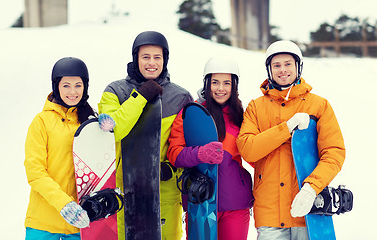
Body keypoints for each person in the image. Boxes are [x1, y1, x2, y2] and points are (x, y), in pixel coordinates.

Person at [236, 40, 346, 240]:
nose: (282, 70)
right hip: (269, 214)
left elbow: (334, 153)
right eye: (276, 65)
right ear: (269, 70)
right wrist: (286, 128)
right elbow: (248, 149)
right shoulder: (256, 107)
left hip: (309, 209)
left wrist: (311, 188)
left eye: (288, 64)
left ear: (298, 66)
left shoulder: (319, 106)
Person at [98, 31, 193, 240]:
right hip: (126, 191)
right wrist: (141, 96)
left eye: (157, 57)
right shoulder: (115, 91)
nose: (151, 63)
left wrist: (177, 172)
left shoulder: (181, 97)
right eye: (145, 57)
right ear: (136, 58)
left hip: (165, 192)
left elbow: (186, 145)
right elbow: (114, 132)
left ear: (165, 60)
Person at [24, 57, 114, 239]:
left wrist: (110, 133)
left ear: (85, 87)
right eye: (66, 85)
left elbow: (106, 167)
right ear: (56, 86)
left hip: (79, 226)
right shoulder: (41, 122)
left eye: (78, 85)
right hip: (43, 225)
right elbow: (35, 172)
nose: (72, 92)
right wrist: (64, 203)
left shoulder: (90, 124)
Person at [167, 56, 254, 240]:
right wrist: (199, 154)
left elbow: (254, 155)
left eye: (226, 83)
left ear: (234, 85)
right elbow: (174, 154)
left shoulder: (242, 116)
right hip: (201, 201)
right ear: (207, 83)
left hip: (236, 205)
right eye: (215, 82)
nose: (220, 89)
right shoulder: (192, 113)